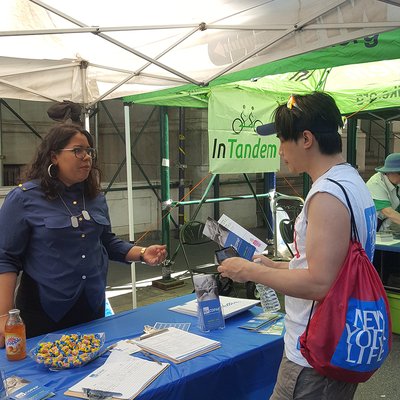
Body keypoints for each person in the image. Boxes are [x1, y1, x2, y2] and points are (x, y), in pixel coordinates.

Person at [217, 92, 376, 400]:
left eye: (282, 139)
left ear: (306, 138)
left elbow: (318, 283)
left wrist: (249, 270)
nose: (279, 150)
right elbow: (333, 266)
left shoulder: (327, 195)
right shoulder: (351, 181)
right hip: (336, 340)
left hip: (314, 354)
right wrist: (275, 266)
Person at [0, 123, 167, 343]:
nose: (86, 157)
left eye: (89, 151)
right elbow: (6, 259)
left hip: (91, 306)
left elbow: (106, 241)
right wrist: (4, 315)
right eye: (77, 150)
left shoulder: (95, 198)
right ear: (54, 157)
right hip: (44, 311)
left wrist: (142, 252)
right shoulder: (23, 198)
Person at [366, 153, 400, 233]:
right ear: (389, 172)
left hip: (382, 227)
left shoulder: (395, 181)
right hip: (369, 226)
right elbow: (388, 212)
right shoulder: (376, 183)